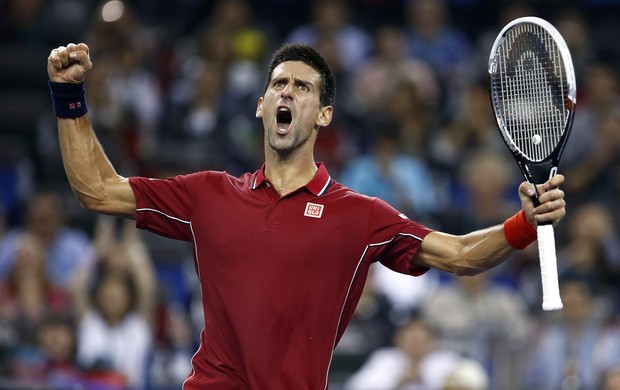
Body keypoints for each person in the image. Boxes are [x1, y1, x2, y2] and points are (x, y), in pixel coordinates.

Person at [46, 41, 566, 389]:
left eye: (302, 86)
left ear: (323, 115)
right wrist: (69, 95)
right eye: (278, 84)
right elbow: (97, 191)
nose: (287, 92)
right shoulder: (208, 195)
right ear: (260, 105)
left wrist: (522, 224)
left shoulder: (360, 217)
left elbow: (458, 255)